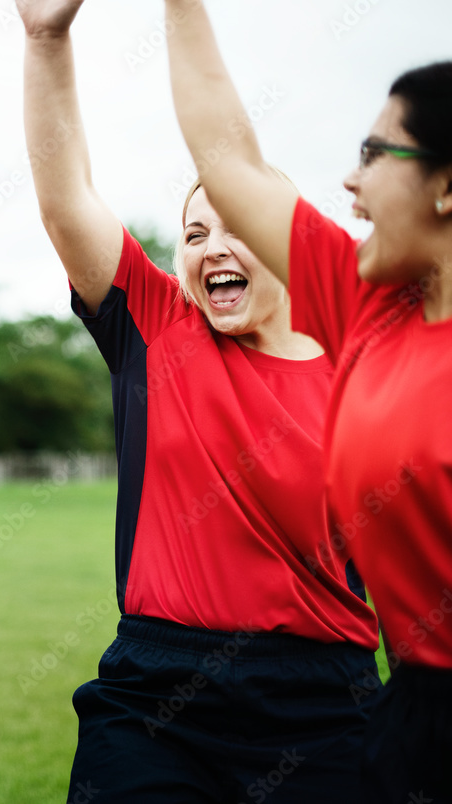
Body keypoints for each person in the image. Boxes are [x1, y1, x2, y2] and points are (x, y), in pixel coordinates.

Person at [15, 1, 384, 801]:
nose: (212, 246)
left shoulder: (361, 356)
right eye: (192, 233)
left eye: (234, 224)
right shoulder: (155, 326)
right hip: (157, 695)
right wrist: (46, 38)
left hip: (323, 701)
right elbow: (64, 198)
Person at [164, 2, 452, 801]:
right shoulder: (368, 306)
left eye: (375, 154)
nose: (350, 181)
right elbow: (229, 160)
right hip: (411, 712)